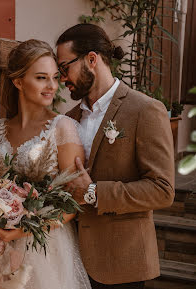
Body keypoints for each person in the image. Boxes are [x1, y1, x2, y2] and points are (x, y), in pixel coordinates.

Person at [56, 23, 175, 289]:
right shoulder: (68, 119)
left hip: (121, 264)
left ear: (91, 59)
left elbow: (162, 190)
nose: (63, 78)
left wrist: (94, 192)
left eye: (65, 68)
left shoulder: (145, 110)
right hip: (70, 261)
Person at [0, 39, 92, 289]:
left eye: (55, 77)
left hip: (47, 249)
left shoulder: (62, 129)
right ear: (18, 82)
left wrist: (18, 232)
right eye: (41, 78)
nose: (52, 86)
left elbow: (73, 204)